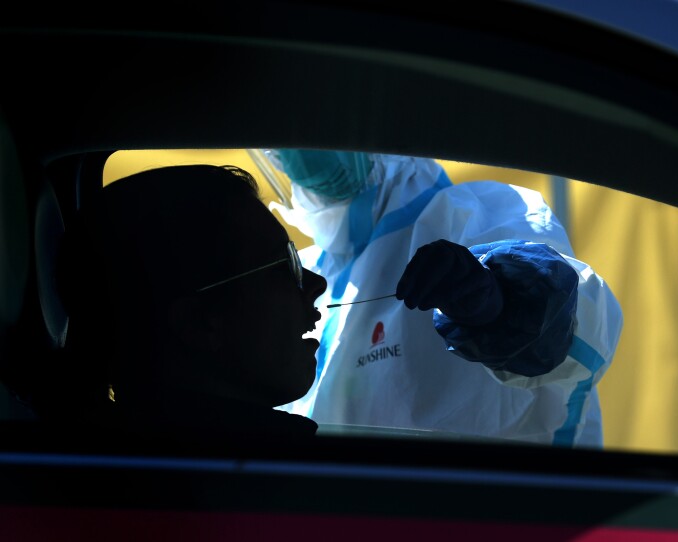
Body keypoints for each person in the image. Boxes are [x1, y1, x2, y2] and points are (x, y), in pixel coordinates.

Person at [265, 150, 623, 447]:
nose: (298, 147)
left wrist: (503, 301)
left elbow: (583, 330)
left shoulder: (480, 214)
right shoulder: (312, 271)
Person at [45, 164, 327, 449]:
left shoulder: (103, 449)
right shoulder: (278, 465)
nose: (318, 283)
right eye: (282, 266)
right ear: (198, 322)